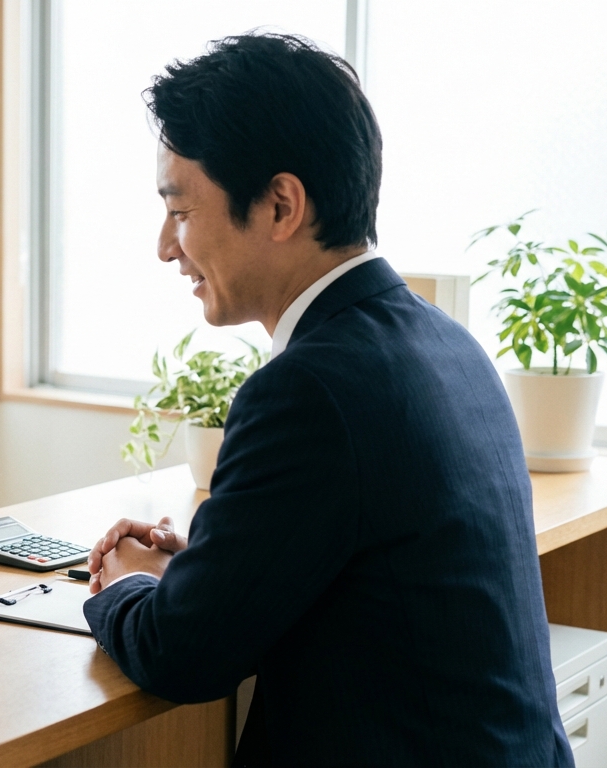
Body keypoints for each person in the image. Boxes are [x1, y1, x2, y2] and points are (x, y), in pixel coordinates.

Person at [83, 34, 572, 766]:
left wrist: (123, 583)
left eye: (179, 209)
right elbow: (373, 578)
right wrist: (213, 570)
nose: (165, 245)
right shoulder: (449, 345)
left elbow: (180, 656)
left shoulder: (306, 390)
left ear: (281, 205)